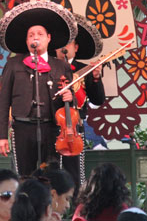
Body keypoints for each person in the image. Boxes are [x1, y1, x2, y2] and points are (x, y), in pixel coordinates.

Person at [0, 0, 77, 177]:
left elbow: (73, 105)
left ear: (49, 38)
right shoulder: (13, 64)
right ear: (26, 41)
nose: (35, 38)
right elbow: (3, 102)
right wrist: (1, 136)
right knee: (24, 178)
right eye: (31, 35)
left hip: (52, 128)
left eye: (40, 34)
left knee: (51, 176)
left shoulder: (61, 66)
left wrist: (70, 97)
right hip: (23, 127)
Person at [55, 14, 105, 189]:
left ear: (75, 47)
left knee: (76, 174)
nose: (63, 47)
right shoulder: (48, 68)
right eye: (60, 43)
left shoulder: (85, 69)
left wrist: (97, 78)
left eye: (68, 43)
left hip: (75, 128)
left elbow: (98, 100)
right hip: (51, 126)